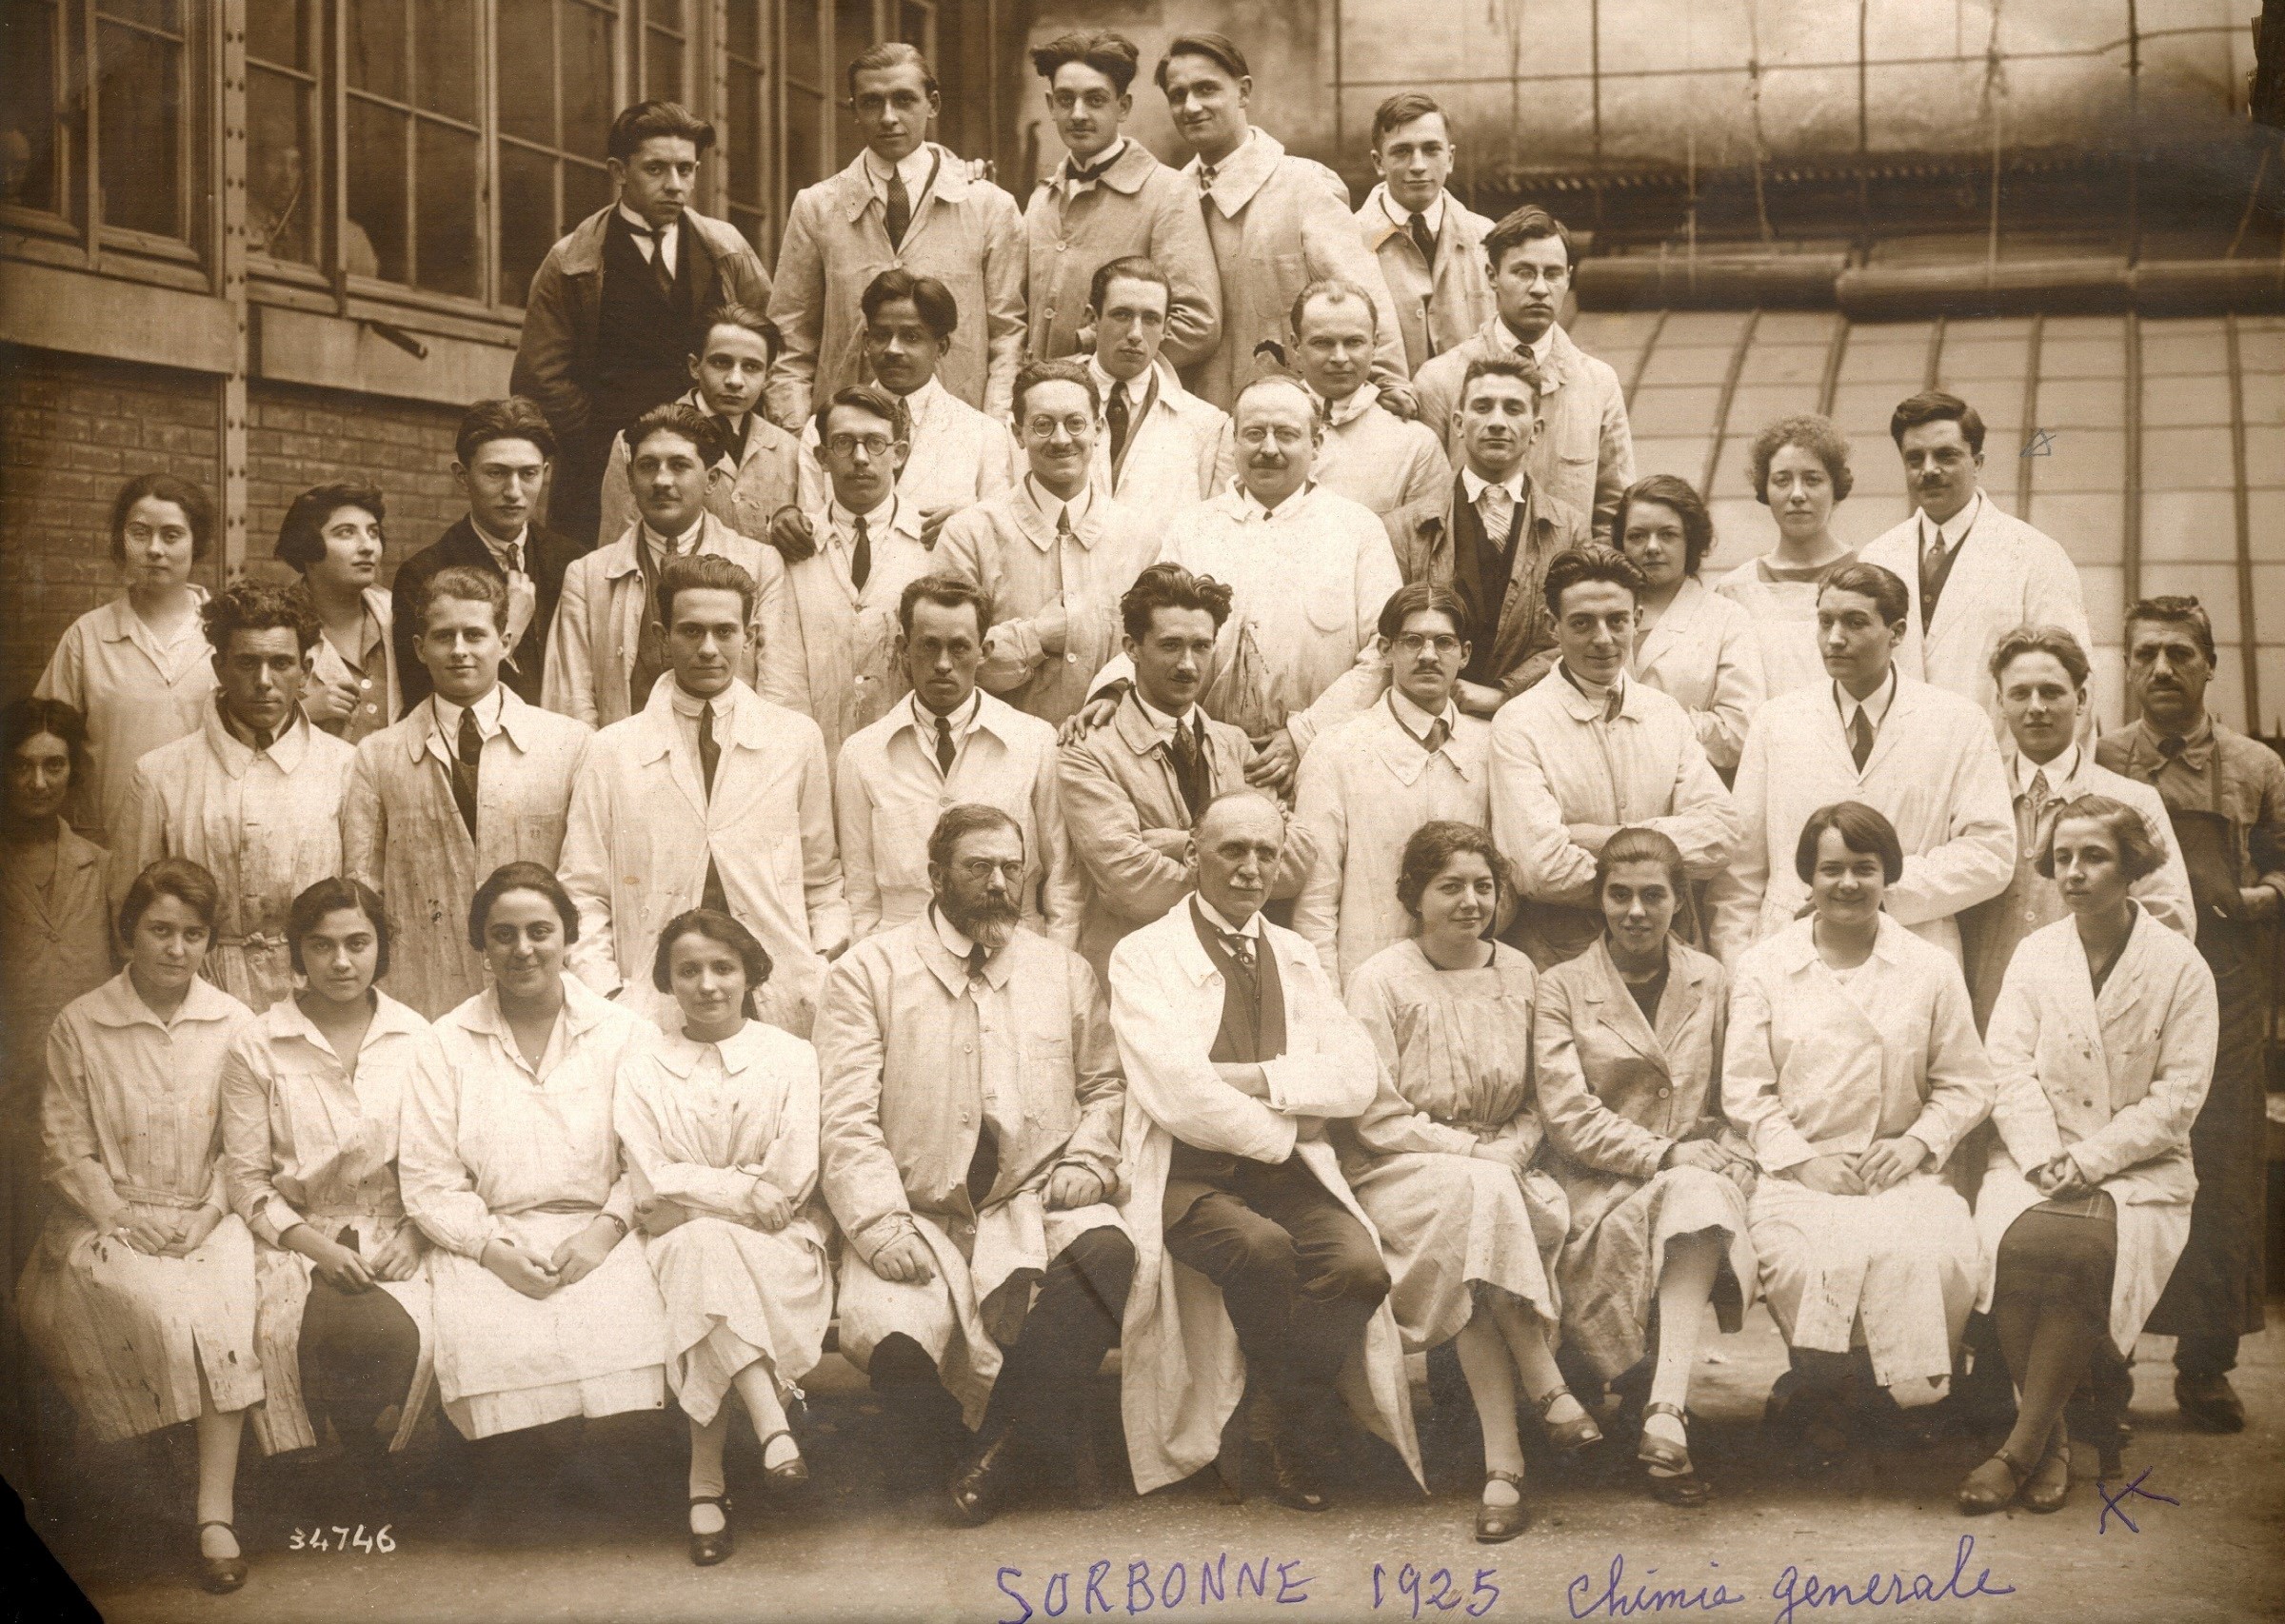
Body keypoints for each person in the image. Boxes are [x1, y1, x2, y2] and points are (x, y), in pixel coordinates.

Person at [815, 805, 1132, 1524]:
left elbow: (1106, 1086)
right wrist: (879, 1225)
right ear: (934, 877)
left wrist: (1089, 1158)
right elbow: (844, 1116)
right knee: (897, 1350)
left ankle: (1002, 1451)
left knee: (1107, 1252)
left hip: (1033, 1200)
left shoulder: (1063, 971)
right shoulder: (868, 973)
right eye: (977, 867)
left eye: (1011, 867)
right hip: (917, 1210)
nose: (998, 883)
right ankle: (1007, 1444)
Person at [1108, 790, 1421, 1510]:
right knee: (1263, 1250)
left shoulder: (1297, 953)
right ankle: (1292, 1432)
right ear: (1193, 855)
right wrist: (1289, 1128)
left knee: (1359, 1269)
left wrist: (1256, 1078)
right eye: (1232, 850)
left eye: (1266, 853)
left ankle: (1277, 1410)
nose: (1251, 869)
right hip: (1187, 1174)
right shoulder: (1144, 956)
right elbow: (1179, 1094)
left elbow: (1354, 1075)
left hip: (1283, 1177)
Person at [1962, 796, 2217, 1515]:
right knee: (2018, 1244)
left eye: (2095, 856)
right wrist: (2045, 1155)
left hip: (2138, 1168)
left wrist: (2091, 1162)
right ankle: (2055, 1437)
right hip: (2033, 1157)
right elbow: (2005, 1065)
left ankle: (2021, 1448)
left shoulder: (2181, 968)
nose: (2074, 872)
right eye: (2063, 858)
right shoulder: (2036, 954)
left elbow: (2180, 1096)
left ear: (2133, 864)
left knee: (2076, 1252)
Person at [1722, 803, 1993, 1467]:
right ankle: (1833, 1392)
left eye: (1864, 869)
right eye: (1831, 869)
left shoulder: (1929, 967)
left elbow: (1968, 1083)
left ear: (1888, 875)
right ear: (1807, 879)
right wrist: (1802, 1161)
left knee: (1935, 1254)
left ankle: (1896, 1398)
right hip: (1799, 1175)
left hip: (1899, 1169)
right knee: (1818, 1260)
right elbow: (1744, 1090)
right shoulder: (1765, 966)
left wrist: (1916, 1145)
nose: (1847, 883)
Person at [17, 859, 262, 1593]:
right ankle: (163, 1486)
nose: (176, 948)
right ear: (129, 933)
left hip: (208, 1217)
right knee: (155, 1312)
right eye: (160, 930)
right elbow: (65, 1146)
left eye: (193, 934)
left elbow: (247, 1147)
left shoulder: (235, 1022)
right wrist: (123, 1218)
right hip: (106, 1217)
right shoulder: (82, 1023)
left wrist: (211, 1213)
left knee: (224, 1313)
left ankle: (215, 1516)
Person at [1341, 822, 1582, 1541]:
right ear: (1415, 895)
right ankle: (1547, 1387)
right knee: (1475, 1199)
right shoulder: (1379, 979)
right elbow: (1374, 1113)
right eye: (1451, 886)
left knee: (1477, 1223)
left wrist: (1506, 1149)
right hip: (1398, 1171)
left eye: (1484, 886)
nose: (1471, 901)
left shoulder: (1520, 973)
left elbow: (1544, 1096)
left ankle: (1502, 1467)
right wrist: (1470, 1154)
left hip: (1504, 1169)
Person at [2095, 595, 2285, 1433]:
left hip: (2229, 982)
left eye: (2180, 653)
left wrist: (2260, 895)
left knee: (2222, 1162)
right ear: (2126, 667)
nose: (2163, 669)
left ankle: (2206, 1365)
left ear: (2211, 664)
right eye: (2146, 655)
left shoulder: (2257, 768)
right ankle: (2110, 1359)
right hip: (2125, 986)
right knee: (2122, 1156)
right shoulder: (2101, 762)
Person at [397, 862, 667, 1441]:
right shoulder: (444, 1042)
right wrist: (493, 1251)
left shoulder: (627, 1034)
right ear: (481, 946)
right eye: (503, 935)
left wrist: (603, 1234)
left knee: (624, 1362)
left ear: (568, 938)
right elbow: (428, 1179)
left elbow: (647, 1160)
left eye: (540, 931)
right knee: (503, 1371)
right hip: (490, 1240)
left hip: (606, 1233)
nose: (523, 950)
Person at [1533, 827, 1756, 1506]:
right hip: (1594, 1181)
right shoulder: (1562, 986)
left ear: (1678, 900)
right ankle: (1661, 1409)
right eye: (1619, 895)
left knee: (1697, 1195)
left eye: (1653, 895)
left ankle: (1662, 1410)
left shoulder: (1710, 979)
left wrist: (1730, 1157)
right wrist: (1662, 1154)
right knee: (1686, 1190)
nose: (1636, 911)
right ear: (1598, 900)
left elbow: (1736, 1092)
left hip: (1697, 1169)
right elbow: (1566, 1115)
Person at [615, 909, 832, 1565]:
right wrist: (737, 1191)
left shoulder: (792, 1057)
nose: (707, 984)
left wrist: (695, 1204)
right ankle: (772, 1424)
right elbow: (650, 1171)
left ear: (749, 973)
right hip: (689, 1246)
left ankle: (705, 1487)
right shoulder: (643, 1062)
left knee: (700, 1252)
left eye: (722, 967)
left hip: (780, 1246)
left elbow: (791, 1180)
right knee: (700, 1254)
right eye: (688, 970)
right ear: (668, 981)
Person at [560, 553, 844, 1037]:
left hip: (778, 1001)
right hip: (651, 1006)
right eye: (691, 631)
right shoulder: (612, 750)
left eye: (726, 631)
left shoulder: (795, 739)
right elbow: (582, 892)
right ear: (660, 636)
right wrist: (610, 995)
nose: (709, 648)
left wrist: (818, 964)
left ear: (750, 637)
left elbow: (824, 879)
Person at [1083, 374, 1401, 794]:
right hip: (1208, 760)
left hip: (1324, 757)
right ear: (1233, 442)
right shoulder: (1194, 527)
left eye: (1286, 434)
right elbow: (1149, 634)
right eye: (1254, 434)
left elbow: (1384, 653)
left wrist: (1303, 736)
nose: (1268, 449)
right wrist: (1114, 692)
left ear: (1317, 444)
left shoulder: (1357, 530)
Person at [218, 878, 433, 1465]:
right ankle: (337, 1469)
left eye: (358, 943)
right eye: (321, 945)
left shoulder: (419, 1038)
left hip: (402, 1231)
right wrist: (317, 1248)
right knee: (309, 1335)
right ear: (298, 952)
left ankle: (393, 1465)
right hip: (298, 1235)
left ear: (381, 948)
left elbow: (445, 1162)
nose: (341, 962)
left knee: (415, 1332)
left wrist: (417, 1234)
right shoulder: (258, 1043)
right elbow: (246, 1180)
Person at [1709, 562, 2014, 968]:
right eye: (1825, 622)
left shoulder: (1957, 721)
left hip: (1913, 952)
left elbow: (1991, 851)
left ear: (1898, 632)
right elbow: (1740, 872)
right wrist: (1741, 966)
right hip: (1791, 953)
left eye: (1855, 623)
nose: (1835, 639)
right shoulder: (1777, 720)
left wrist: (1881, 894)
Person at [511, 101, 771, 548]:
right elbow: (540, 378)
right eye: (656, 169)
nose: (675, 186)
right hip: (602, 476)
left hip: (715, 468)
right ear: (619, 171)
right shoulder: (571, 261)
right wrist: (605, 446)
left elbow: (770, 348)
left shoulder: (725, 251)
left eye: (686, 170)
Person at [342, 566, 594, 1020]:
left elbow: (583, 880)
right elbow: (365, 887)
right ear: (420, 648)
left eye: (475, 635)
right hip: (422, 988)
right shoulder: (378, 755)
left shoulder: (568, 744)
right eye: (443, 637)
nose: (459, 651)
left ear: (505, 640)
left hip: (540, 986)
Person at [110, 582, 356, 1013]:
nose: (264, 681)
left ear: (306, 667)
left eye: (281, 663)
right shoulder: (159, 774)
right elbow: (129, 919)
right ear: (220, 667)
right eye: (247, 663)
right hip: (195, 998)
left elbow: (361, 906)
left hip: (313, 996)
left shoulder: (347, 768)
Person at [1059, 564, 1315, 975]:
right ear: (1132, 647)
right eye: (1171, 645)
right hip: (1141, 970)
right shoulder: (1088, 750)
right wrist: (1241, 863)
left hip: (1236, 970)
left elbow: (1298, 860)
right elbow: (1130, 883)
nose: (1188, 664)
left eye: (1201, 646)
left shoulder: (1235, 745)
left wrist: (1172, 843)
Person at [1491, 547, 1738, 968]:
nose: (1603, 639)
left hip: (1671, 954)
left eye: (1617, 620)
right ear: (1553, 626)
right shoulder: (1519, 723)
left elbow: (1722, 837)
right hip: (1563, 958)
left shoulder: (1665, 713)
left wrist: (1590, 837)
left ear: (1636, 619)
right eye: (1583, 623)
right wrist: (1659, 872)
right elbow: (1539, 869)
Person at [766, 44, 1025, 426]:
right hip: (845, 431)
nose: (888, 117)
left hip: (958, 429)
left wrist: (996, 428)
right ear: (853, 109)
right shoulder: (818, 207)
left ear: (932, 104)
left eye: (904, 100)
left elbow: (1008, 337)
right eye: (871, 102)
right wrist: (796, 428)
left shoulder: (990, 206)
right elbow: (791, 338)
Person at [1156, 33, 1408, 412]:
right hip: (1196, 415)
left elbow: (1364, 298)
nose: (1191, 106)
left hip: (1293, 417)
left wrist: (1389, 384)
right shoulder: (1170, 196)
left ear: (1243, 92)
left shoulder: (1304, 186)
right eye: (1178, 95)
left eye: (1207, 89)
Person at [1958, 625, 2193, 1030]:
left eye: (2050, 692)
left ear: (2081, 698)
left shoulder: (2131, 800)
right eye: (2019, 693)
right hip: (1984, 1022)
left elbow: (2168, 920)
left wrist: (2112, 1006)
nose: (2035, 707)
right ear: (1999, 702)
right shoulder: (1969, 794)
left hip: (2091, 1023)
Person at [837, 575, 1081, 944]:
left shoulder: (1034, 742)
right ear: (903, 648)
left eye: (959, 648)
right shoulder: (862, 753)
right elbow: (860, 895)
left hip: (1013, 946)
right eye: (928, 646)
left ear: (985, 650)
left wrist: (1054, 966)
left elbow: (1063, 879)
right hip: (902, 953)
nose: (943, 663)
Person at [0, 700, 112, 1469]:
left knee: (67, 1263)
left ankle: (69, 1445)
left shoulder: (101, 865)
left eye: (55, 765)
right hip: (6, 1096)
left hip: (79, 1104)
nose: (38, 781)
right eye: (22, 764)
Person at [936, 359, 1162, 727]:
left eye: (1075, 423)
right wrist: (1036, 637)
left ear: (1099, 429)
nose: (1061, 439)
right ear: (1017, 433)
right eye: (1043, 425)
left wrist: (1115, 686)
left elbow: (1157, 652)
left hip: (1107, 758)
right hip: (1000, 752)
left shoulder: (1139, 538)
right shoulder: (971, 534)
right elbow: (944, 663)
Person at [544, 402, 796, 727]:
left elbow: (778, 685)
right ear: (631, 480)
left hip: (732, 760)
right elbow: (572, 700)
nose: (662, 480)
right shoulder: (589, 575)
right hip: (624, 766)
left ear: (711, 479)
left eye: (679, 465)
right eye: (648, 466)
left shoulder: (759, 563)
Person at [1293, 583, 1494, 990]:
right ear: (1386, 650)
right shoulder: (1337, 749)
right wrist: (1329, 1007)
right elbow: (1314, 901)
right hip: (1366, 985)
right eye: (1412, 641)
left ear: (1465, 653)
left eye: (1444, 642)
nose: (1428, 656)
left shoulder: (1491, 747)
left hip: (1467, 983)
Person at [1859, 392, 2090, 720]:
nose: (1929, 470)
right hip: (1899, 761)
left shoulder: (2035, 555)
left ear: (1977, 462)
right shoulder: (1877, 558)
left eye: (1946, 456)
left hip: (1997, 762)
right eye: (1915, 459)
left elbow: (2074, 679)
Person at [1410, 207, 1633, 539]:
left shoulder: (1598, 383)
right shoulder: (1440, 380)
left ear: (1569, 277)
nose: (1540, 288)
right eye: (1524, 272)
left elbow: (1614, 512)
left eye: (1553, 274)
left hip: (1567, 582)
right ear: (1491, 276)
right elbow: (1424, 512)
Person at [1384, 356, 1590, 708]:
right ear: (1459, 424)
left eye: (1513, 409)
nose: (1497, 422)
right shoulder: (1404, 528)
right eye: (1483, 407)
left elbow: (1575, 634)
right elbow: (1390, 638)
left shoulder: (1569, 529)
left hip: (1533, 716)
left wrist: (1505, 692)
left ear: (1536, 430)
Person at [35, 472, 218, 842]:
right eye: (139, 532)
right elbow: (43, 741)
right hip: (110, 840)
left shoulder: (227, 632)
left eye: (171, 535)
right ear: (121, 540)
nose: (154, 549)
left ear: (195, 543)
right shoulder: (86, 637)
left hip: (206, 838)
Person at [1023, 30, 1220, 370]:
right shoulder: (1042, 198)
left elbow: (1196, 324)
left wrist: (1094, 359)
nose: (1079, 114)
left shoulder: (1166, 192)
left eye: (1096, 100)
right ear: (1050, 105)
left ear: (1122, 107)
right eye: (1066, 100)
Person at [772, 386, 943, 758]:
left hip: (909, 759)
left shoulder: (935, 542)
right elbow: (780, 676)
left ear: (899, 454)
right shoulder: (794, 546)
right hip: (815, 758)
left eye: (875, 443)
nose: (861, 458)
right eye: (844, 443)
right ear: (823, 457)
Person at [391, 398, 582, 715]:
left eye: (529, 474)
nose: (514, 490)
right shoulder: (424, 572)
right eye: (496, 473)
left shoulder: (571, 561)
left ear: (546, 473)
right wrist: (511, 632)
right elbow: (422, 694)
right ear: (462, 476)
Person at [782, 269, 1016, 527]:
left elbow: (1001, 527)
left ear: (941, 347)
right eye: (882, 336)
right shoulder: (823, 428)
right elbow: (811, 525)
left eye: (911, 337)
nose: (893, 349)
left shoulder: (984, 433)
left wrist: (966, 526)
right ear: (866, 342)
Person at [597, 303, 805, 545]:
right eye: (721, 363)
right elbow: (618, 551)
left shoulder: (789, 448)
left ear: (767, 378)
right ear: (695, 367)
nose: (735, 380)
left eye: (751, 367)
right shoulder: (635, 443)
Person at [1614, 476, 1762, 777]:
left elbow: (1741, 730)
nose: (1652, 547)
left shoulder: (1726, 618)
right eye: (1637, 536)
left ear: (1691, 541)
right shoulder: (1602, 612)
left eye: (1668, 535)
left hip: (1691, 786)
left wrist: (1652, 728)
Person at [1714, 414, 1862, 700]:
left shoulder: (1871, 574)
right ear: (1765, 489)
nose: (1797, 494)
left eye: (1812, 480)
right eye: (1782, 480)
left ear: (1836, 487)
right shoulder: (1734, 590)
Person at [1080, 256, 1234, 522]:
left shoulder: (1206, 424)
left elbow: (1213, 533)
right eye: (1122, 315)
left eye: (1151, 319)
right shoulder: (1043, 407)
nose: (1136, 334)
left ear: (1166, 329)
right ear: (1093, 319)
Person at [1355, 92, 1497, 376]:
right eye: (1402, 151)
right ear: (1379, 162)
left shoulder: (1488, 238)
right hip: (1388, 411)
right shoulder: (1348, 242)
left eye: (1431, 150)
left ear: (1450, 158)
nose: (1418, 165)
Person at [1290, 279, 1449, 518]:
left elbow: (1423, 549)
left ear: (1374, 344)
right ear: (1296, 346)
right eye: (1322, 343)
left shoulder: (1416, 443)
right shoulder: (1258, 430)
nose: (1339, 357)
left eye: (1354, 342)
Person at [275, 481, 397, 744]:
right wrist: (303, 713)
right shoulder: (273, 624)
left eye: (373, 532)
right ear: (307, 548)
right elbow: (239, 725)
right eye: (346, 533)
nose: (367, 546)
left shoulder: (397, 614)